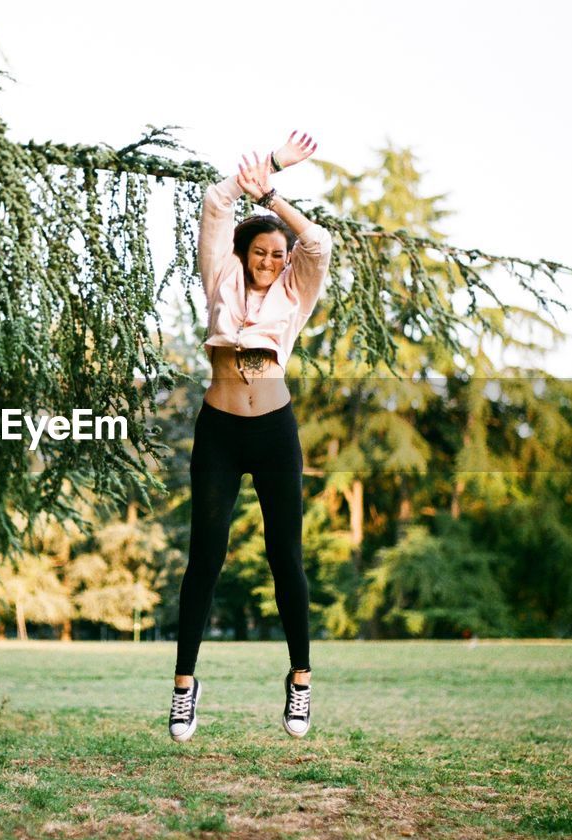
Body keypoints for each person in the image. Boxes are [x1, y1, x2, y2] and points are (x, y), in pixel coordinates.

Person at [169, 132, 332, 742]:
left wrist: (275, 190)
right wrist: (256, 173)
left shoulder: (296, 289)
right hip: (219, 431)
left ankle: (299, 681)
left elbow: (318, 242)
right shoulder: (220, 276)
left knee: (284, 557)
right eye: (262, 252)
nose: (271, 261)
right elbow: (215, 204)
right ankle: (185, 688)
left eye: (277, 255)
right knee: (205, 558)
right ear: (244, 252)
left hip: (273, 432)